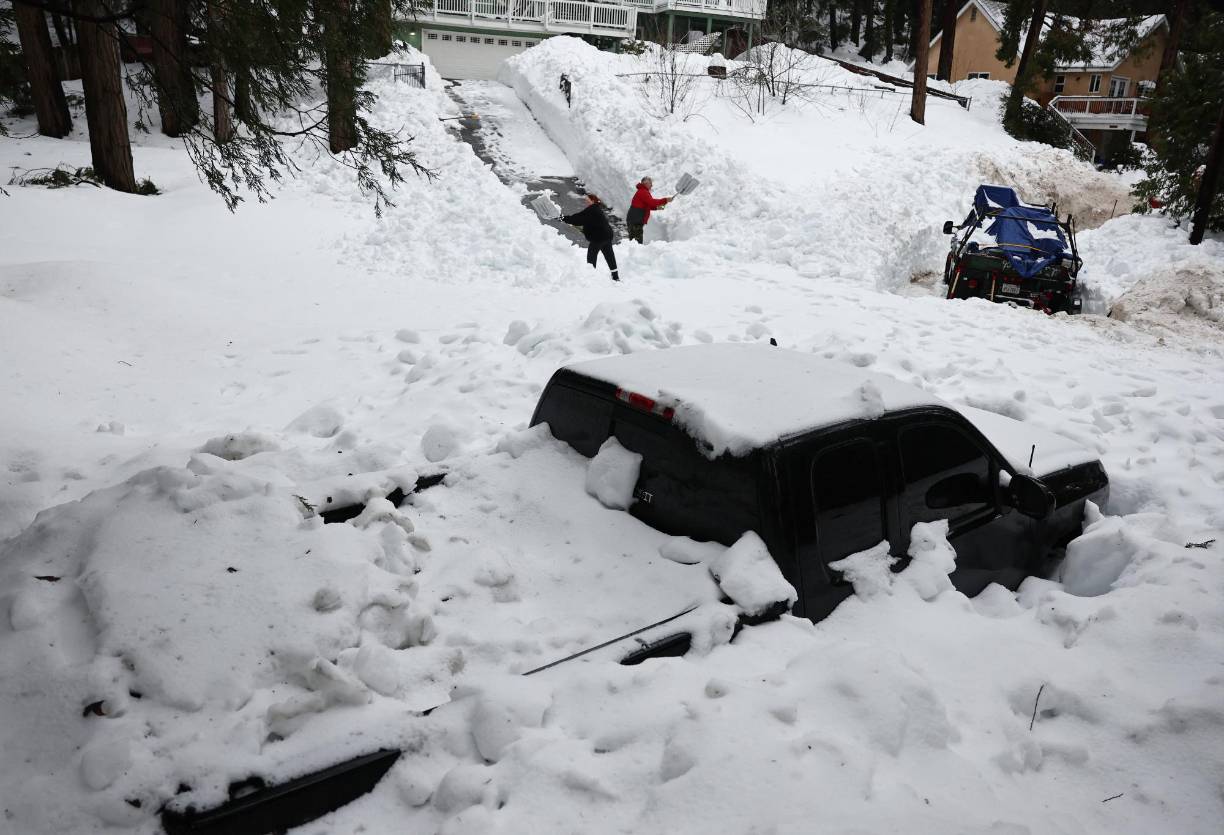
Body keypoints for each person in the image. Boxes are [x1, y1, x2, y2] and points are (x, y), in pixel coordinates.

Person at [563, 193, 619, 281]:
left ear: (593, 201)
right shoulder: (597, 209)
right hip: (607, 236)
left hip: (599, 238)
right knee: (609, 256)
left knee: (591, 257)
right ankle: (615, 277)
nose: (586, 202)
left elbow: (578, 219)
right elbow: (586, 220)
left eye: (588, 200)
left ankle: (591, 278)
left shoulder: (592, 209)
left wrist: (563, 218)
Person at [626, 177, 672, 244]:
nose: (652, 185)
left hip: (635, 219)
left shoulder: (643, 191)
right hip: (635, 220)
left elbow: (647, 205)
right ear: (646, 183)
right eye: (650, 183)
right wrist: (665, 200)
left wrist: (657, 207)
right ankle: (636, 253)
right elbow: (652, 202)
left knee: (635, 241)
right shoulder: (643, 192)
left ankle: (635, 253)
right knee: (636, 242)